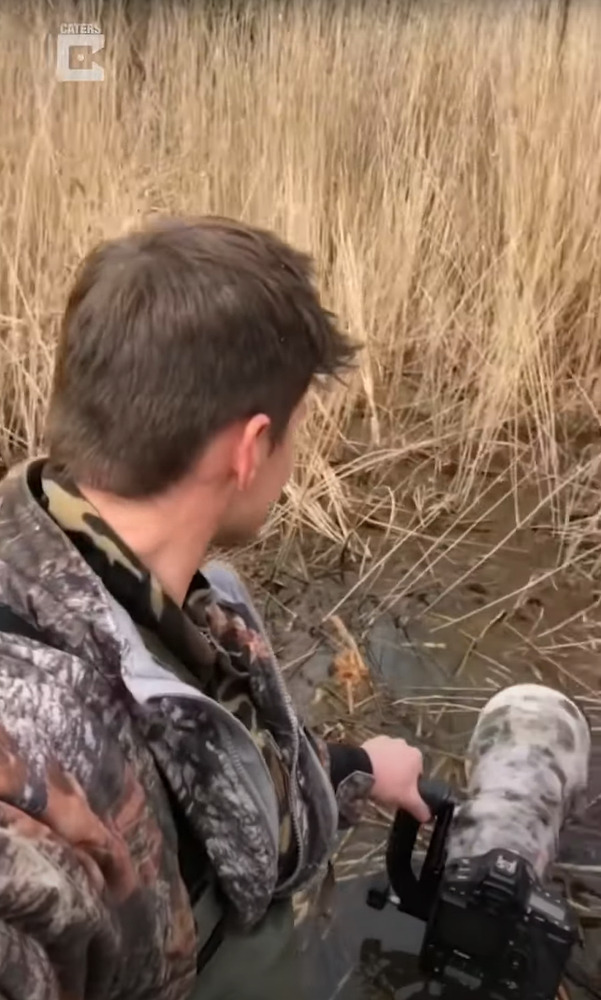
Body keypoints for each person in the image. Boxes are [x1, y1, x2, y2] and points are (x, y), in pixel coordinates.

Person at [0, 215, 430, 1000]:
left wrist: (360, 767)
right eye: (296, 432)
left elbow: (206, 777)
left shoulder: (146, 592)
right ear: (248, 448)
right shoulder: (26, 747)